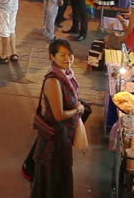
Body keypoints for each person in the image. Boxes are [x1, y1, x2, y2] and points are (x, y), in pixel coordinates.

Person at [30, 39, 86, 197]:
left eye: (70, 54)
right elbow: (59, 115)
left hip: (63, 138)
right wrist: (78, 109)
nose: (68, 59)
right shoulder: (53, 80)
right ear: (52, 57)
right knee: (53, 182)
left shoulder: (67, 75)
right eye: (62, 55)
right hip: (53, 143)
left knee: (60, 179)